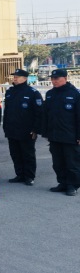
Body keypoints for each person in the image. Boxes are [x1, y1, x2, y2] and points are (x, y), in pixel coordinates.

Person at [42, 68, 80, 196]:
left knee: (72, 163)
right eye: (52, 79)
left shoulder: (75, 94)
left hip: (70, 135)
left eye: (57, 78)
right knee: (58, 163)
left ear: (65, 78)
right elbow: (46, 115)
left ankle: (72, 185)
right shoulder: (50, 94)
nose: (54, 81)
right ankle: (62, 183)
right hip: (54, 135)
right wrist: (45, 132)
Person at [3, 68, 43, 186]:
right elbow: (7, 111)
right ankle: (20, 174)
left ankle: (29, 176)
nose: (14, 78)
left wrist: (35, 129)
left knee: (28, 154)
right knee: (15, 154)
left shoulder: (32, 93)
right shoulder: (10, 92)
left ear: (25, 78)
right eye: (14, 76)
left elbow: (39, 113)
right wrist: (5, 127)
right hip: (12, 129)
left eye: (17, 76)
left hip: (27, 130)